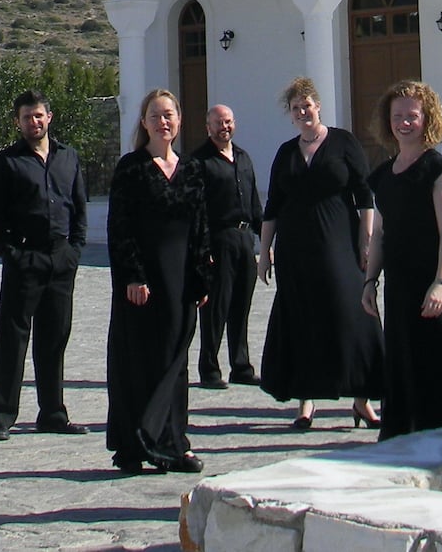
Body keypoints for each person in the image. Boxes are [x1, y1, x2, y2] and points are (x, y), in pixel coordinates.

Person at [362, 81, 442, 439]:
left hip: (433, 281)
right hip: (399, 284)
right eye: (397, 116)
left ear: (426, 119)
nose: (404, 123)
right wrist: (370, 281)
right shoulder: (384, 175)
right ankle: (406, 434)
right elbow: (379, 234)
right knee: (404, 357)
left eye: (412, 116)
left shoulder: (440, 170)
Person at [257, 76, 383, 430]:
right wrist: (264, 251)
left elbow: (364, 194)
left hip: (339, 241)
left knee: (353, 313)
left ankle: (362, 399)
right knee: (302, 317)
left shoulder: (343, 142)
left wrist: (365, 239)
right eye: (296, 109)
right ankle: (306, 402)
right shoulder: (286, 151)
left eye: (307, 106)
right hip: (295, 247)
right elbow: (273, 205)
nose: (302, 113)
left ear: (318, 106)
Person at [106, 88, 211, 475]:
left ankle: (173, 442)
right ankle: (135, 444)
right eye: (155, 115)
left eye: (169, 114)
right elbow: (120, 226)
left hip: (180, 280)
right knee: (140, 362)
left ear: (179, 120)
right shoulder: (132, 168)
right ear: (144, 123)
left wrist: (202, 278)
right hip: (143, 283)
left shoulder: (192, 170)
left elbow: (201, 229)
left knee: (176, 363)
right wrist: (133, 276)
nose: (162, 121)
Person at [0, 89, 88, 439]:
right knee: (13, 339)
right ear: (18, 122)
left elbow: (79, 207)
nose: (34, 122)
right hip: (25, 259)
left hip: (60, 259)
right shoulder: (7, 162)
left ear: (49, 117)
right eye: (27, 117)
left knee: (54, 338)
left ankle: (53, 412)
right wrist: (12, 254)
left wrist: (74, 250)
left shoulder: (68, 157)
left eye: (39, 115)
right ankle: (1, 416)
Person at [190, 104, 263, 389]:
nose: (225, 127)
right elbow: (197, 209)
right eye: (219, 123)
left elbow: (254, 202)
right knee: (215, 308)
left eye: (229, 122)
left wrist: (263, 239)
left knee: (241, 305)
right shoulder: (200, 161)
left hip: (245, 240)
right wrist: (202, 248)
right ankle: (209, 369)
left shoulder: (243, 158)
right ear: (208, 127)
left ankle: (241, 366)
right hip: (217, 241)